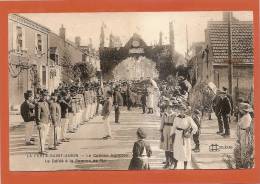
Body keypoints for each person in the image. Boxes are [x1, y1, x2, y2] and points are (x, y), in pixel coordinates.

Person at [170, 104, 198, 169]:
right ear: (179, 110)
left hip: (185, 137)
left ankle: (185, 167)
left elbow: (195, 127)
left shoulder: (188, 118)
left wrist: (190, 133)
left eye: (183, 110)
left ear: (185, 111)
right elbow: (174, 127)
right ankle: (175, 165)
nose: (182, 111)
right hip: (177, 136)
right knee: (177, 150)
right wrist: (171, 135)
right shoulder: (176, 118)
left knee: (185, 151)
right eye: (180, 110)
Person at [159, 100, 177, 169]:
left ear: (172, 108)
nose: (169, 109)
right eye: (168, 107)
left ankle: (172, 162)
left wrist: (175, 133)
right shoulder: (164, 114)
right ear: (166, 108)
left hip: (172, 131)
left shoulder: (175, 115)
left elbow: (176, 125)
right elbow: (162, 124)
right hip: (165, 131)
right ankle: (167, 162)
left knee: (171, 148)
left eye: (170, 107)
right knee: (166, 148)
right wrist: (161, 134)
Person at [35, 90, 51, 155]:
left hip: (47, 122)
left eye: (45, 95)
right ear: (40, 96)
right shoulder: (38, 104)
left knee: (45, 136)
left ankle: (43, 149)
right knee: (41, 137)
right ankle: (41, 150)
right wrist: (38, 123)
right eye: (43, 95)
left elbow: (48, 112)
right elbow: (37, 115)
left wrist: (49, 120)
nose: (44, 97)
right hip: (41, 122)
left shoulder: (46, 103)